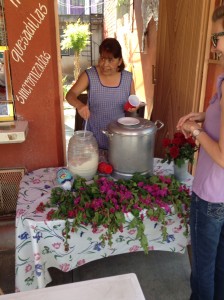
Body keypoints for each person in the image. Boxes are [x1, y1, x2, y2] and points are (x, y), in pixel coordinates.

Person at [176, 5, 224, 300]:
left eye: (217, 36)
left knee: (203, 273)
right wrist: (205, 116)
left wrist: (195, 132)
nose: (215, 44)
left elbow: (222, 156)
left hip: (210, 196)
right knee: (219, 270)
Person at [66, 38, 137, 151]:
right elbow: (70, 95)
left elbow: (133, 102)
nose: (105, 64)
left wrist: (133, 107)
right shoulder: (90, 75)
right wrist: (79, 105)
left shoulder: (127, 78)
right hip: (92, 138)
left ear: (119, 61)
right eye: (102, 58)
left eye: (110, 60)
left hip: (117, 138)